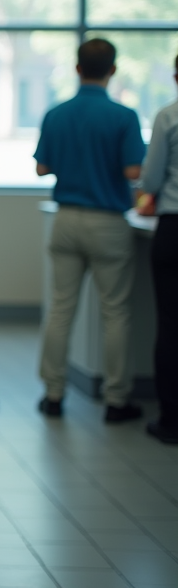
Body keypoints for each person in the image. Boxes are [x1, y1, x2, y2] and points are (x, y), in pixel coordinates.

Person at [35, 37, 146, 422]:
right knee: (115, 312)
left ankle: (53, 394)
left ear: (77, 68)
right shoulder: (124, 116)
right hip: (107, 222)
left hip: (65, 218)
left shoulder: (57, 113)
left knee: (61, 310)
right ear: (112, 70)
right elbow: (134, 171)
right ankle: (116, 400)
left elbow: (41, 167)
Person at [140, 51, 178, 444]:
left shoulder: (169, 116)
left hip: (173, 226)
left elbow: (150, 180)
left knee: (170, 324)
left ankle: (171, 418)